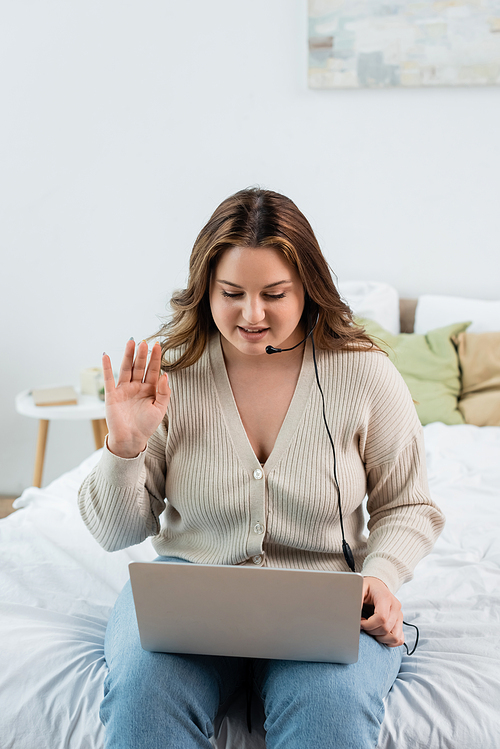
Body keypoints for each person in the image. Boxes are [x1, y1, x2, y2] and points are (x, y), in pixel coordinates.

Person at [78, 187, 445, 749]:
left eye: (274, 293)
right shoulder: (170, 370)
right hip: (187, 600)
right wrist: (124, 447)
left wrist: (382, 575)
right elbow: (115, 532)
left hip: (325, 601)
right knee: (143, 697)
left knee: (331, 709)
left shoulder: (364, 372)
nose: (252, 315)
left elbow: (407, 505)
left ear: (309, 289)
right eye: (232, 293)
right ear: (206, 290)